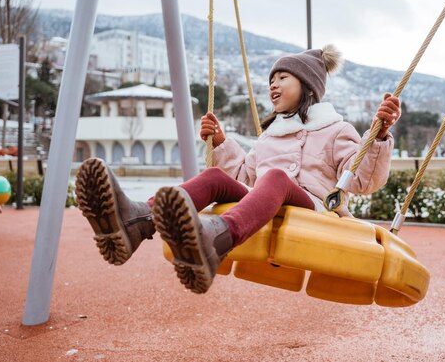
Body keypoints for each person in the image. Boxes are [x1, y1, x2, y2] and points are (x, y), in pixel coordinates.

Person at [75, 45, 401, 294]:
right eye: (271, 80)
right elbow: (244, 180)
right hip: (268, 204)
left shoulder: (335, 129)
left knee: (276, 177)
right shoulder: (270, 135)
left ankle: (217, 238)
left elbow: (360, 180)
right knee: (217, 177)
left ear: (308, 85)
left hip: (313, 209)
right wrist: (220, 143)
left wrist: (379, 136)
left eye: (282, 78)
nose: (273, 86)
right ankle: (136, 221)